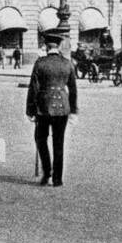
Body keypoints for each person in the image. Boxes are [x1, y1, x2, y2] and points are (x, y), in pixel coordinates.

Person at [25, 27, 78, 187]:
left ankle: (46, 172)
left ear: (46, 46)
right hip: (62, 107)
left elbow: (33, 88)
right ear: (59, 46)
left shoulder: (40, 63)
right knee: (59, 142)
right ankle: (57, 179)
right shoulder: (67, 64)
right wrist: (73, 110)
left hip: (44, 107)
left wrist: (30, 109)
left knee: (40, 139)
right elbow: (73, 89)